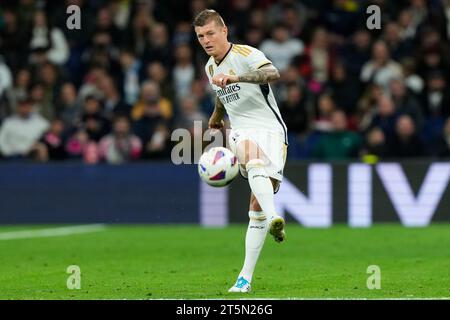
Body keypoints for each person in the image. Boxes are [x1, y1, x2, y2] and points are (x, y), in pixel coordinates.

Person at [193, 9, 288, 293]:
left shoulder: (246, 54)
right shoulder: (210, 68)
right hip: (242, 129)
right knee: (247, 150)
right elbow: (223, 94)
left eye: (210, 33)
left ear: (224, 31)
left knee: (256, 208)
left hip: (272, 130)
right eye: (200, 36)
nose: (206, 40)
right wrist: (216, 115)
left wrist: (238, 78)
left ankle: (248, 270)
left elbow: (273, 73)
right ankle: (273, 223)